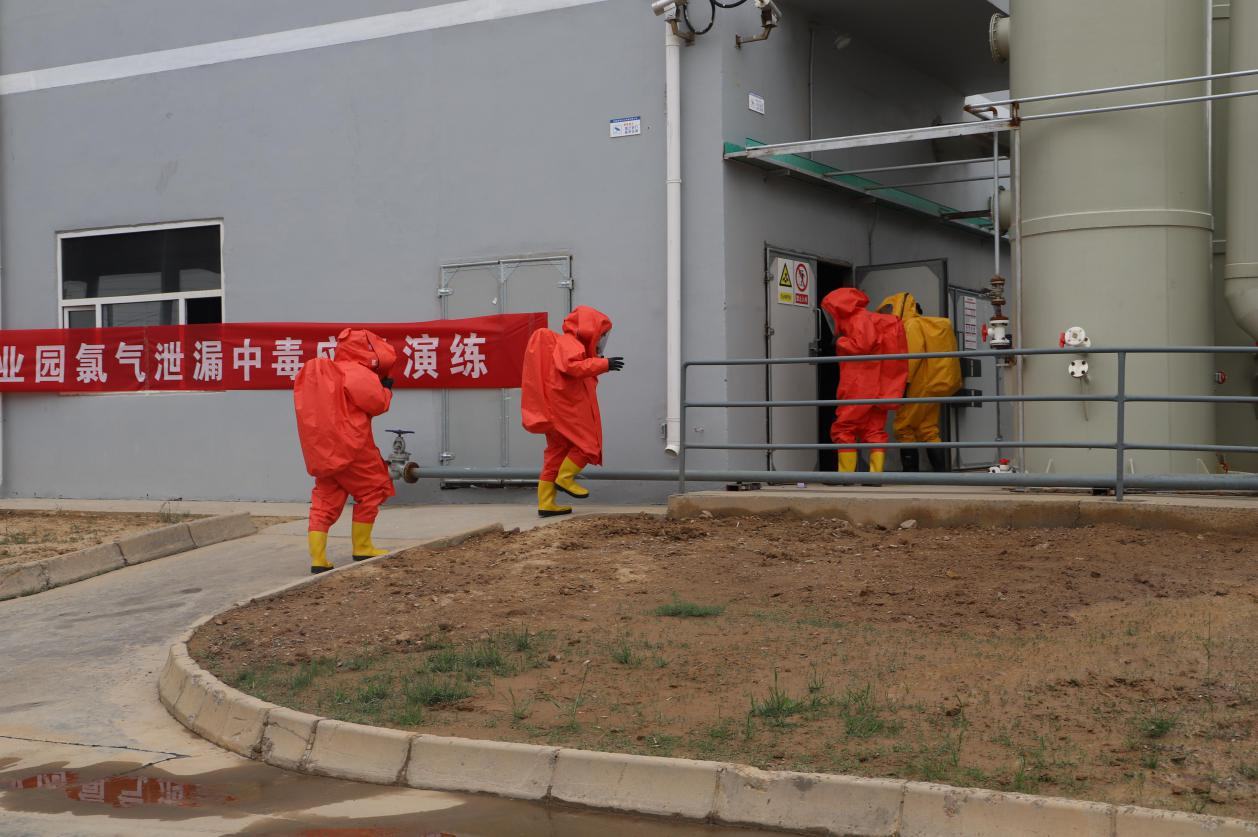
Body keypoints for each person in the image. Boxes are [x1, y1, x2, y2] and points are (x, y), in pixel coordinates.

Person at [293, 328, 397, 574]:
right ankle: (363, 547)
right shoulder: (357, 373)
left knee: (324, 500)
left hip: (324, 451)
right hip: (354, 447)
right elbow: (378, 404)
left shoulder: (326, 373)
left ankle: (318, 559)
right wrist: (386, 388)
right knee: (373, 490)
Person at [520, 306, 624, 516]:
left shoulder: (566, 343)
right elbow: (572, 366)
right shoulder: (571, 342)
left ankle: (546, 503)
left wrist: (597, 362)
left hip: (557, 409)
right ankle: (565, 479)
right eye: (601, 333)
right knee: (588, 445)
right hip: (567, 408)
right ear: (589, 329)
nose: (602, 339)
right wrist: (604, 364)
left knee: (556, 453)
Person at [821, 289, 907, 474]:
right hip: (879, 386)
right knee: (874, 430)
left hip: (858, 385)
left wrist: (840, 342)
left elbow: (863, 344)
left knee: (844, 428)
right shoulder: (874, 320)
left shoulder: (858, 319)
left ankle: (845, 476)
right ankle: (875, 475)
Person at [877, 292, 962, 472]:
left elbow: (912, 357)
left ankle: (911, 475)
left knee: (904, 427)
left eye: (888, 309)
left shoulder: (911, 325)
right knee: (928, 429)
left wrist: (904, 383)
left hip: (917, 384)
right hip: (931, 384)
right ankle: (942, 474)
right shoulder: (924, 325)